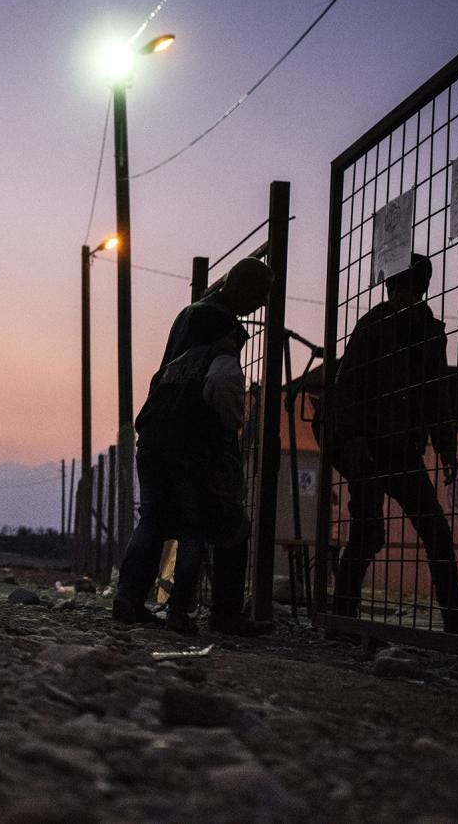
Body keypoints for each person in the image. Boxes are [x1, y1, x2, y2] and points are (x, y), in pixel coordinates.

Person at [112, 256, 274, 636]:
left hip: (155, 430)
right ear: (241, 286)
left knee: (154, 519)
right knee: (207, 526)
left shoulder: (187, 315)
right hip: (192, 439)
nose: (262, 304)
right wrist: (232, 423)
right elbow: (221, 381)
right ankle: (201, 613)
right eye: (260, 294)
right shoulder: (222, 326)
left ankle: (129, 598)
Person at [329, 254, 458, 636]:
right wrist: (352, 436)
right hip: (369, 448)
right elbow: (348, 386)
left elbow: (435, 392)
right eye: (401, 289)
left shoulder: (429, 332)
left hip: (399, 448)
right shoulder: (374, 326)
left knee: (434, 530)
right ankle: (342, 619)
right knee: (369, 533)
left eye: (410, 289)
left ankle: (454, 617)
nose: (404, 296)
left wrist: (446, 445)